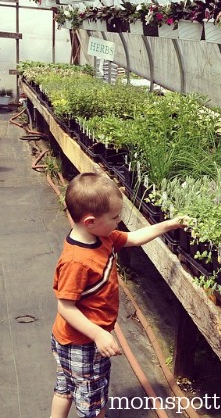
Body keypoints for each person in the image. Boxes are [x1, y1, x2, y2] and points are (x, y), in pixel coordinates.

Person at [50, 172, 188, 418]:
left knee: (66, 388)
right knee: (93, 402)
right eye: (114, 217)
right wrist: (99, 334)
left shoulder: (103, 237)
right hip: (83, 343)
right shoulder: (77, 261)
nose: (119, 222)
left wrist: (169, 225)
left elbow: (134, 238)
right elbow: (65, 306)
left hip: (74, 340)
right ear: (90, 221)